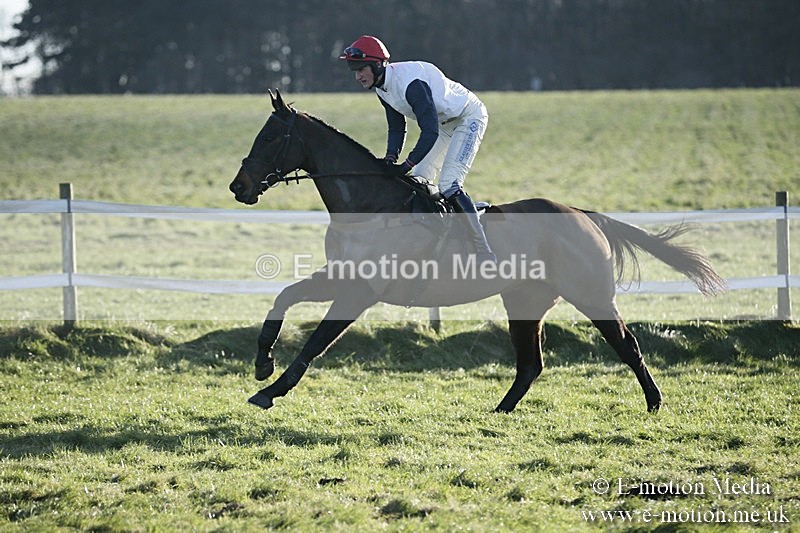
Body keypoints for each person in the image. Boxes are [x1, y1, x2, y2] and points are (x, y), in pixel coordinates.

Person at [339, 35, 496, 263]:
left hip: (467, 118)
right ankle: (437, 242)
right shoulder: (381, 87)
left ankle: (483, 250)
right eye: (354, 70)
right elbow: (396, 127)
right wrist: (391, 158)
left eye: (361, 69)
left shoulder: (411, 84)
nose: (357, 76)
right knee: (420, 180)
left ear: (377, 65)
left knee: (449, 185)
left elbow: (429, 130)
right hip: (444, 123)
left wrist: (407, 163)